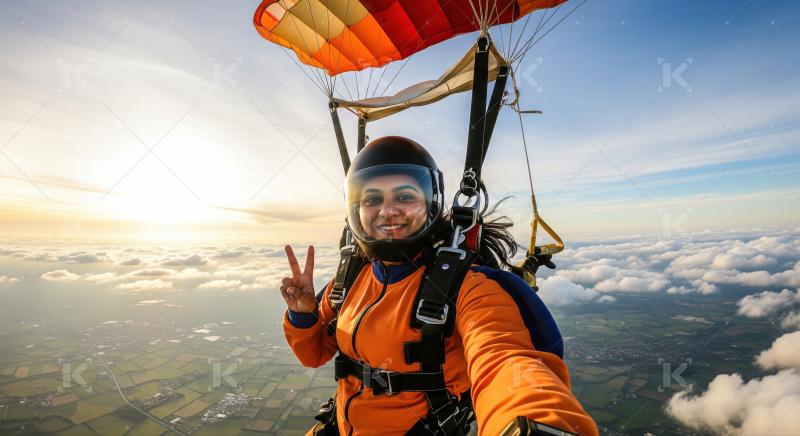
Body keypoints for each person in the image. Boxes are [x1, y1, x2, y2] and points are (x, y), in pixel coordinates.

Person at [279, 136, 598, 435]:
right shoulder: (349, 278)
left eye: (405, 196)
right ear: (356, 211)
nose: (388, 210)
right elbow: (313, 355)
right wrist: (303, 315)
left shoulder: (466, 287)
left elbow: (505, 360)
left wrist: (534, 420)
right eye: (372, 198)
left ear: (431, 204)